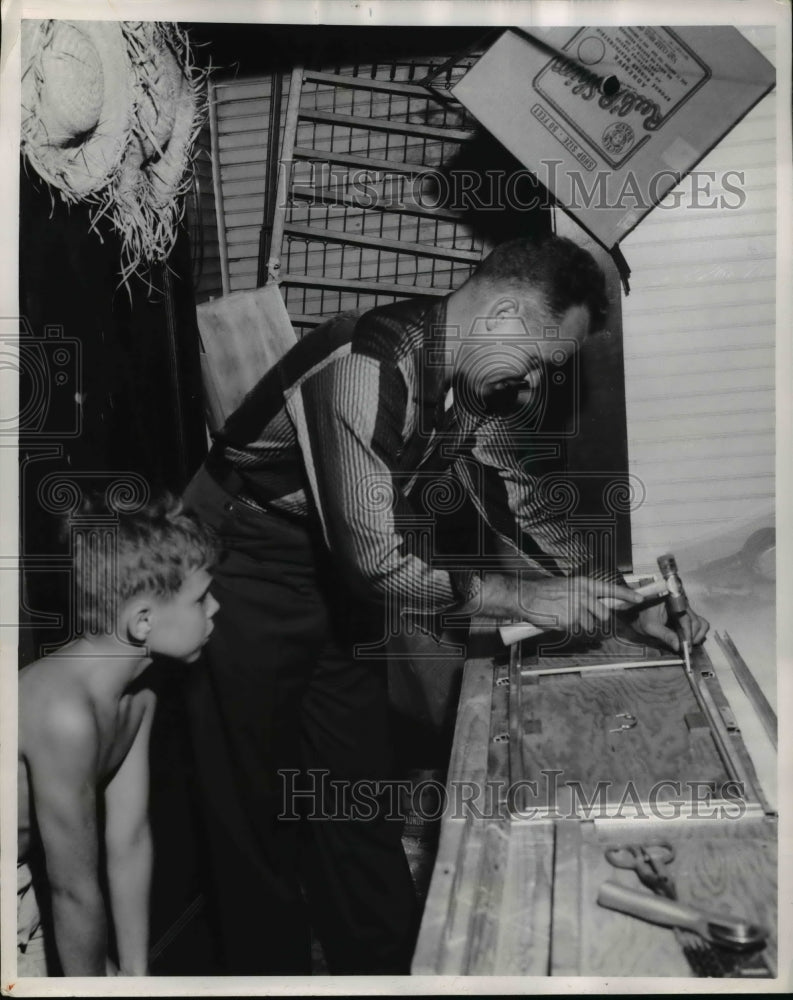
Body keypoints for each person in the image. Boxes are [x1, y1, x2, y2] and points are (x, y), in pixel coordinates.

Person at [183, 234, 708, 975]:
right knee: (251, 807)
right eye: (542, 361)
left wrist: (618, 601)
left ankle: (394, 974)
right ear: (501, 315)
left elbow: (522, 505)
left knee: (356, 791)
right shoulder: (362, 369)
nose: (536, 385)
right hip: (240, 558)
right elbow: (375, 561)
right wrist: (520, 596)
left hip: (334, 566)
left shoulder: (473, 376)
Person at [17, 495, 219, 977]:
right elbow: (72, 891)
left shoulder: (139, 693)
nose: (217, 607)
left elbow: (128, 839)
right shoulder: (64, 713)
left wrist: (134, 976)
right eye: (200, 598)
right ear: (142, 621)